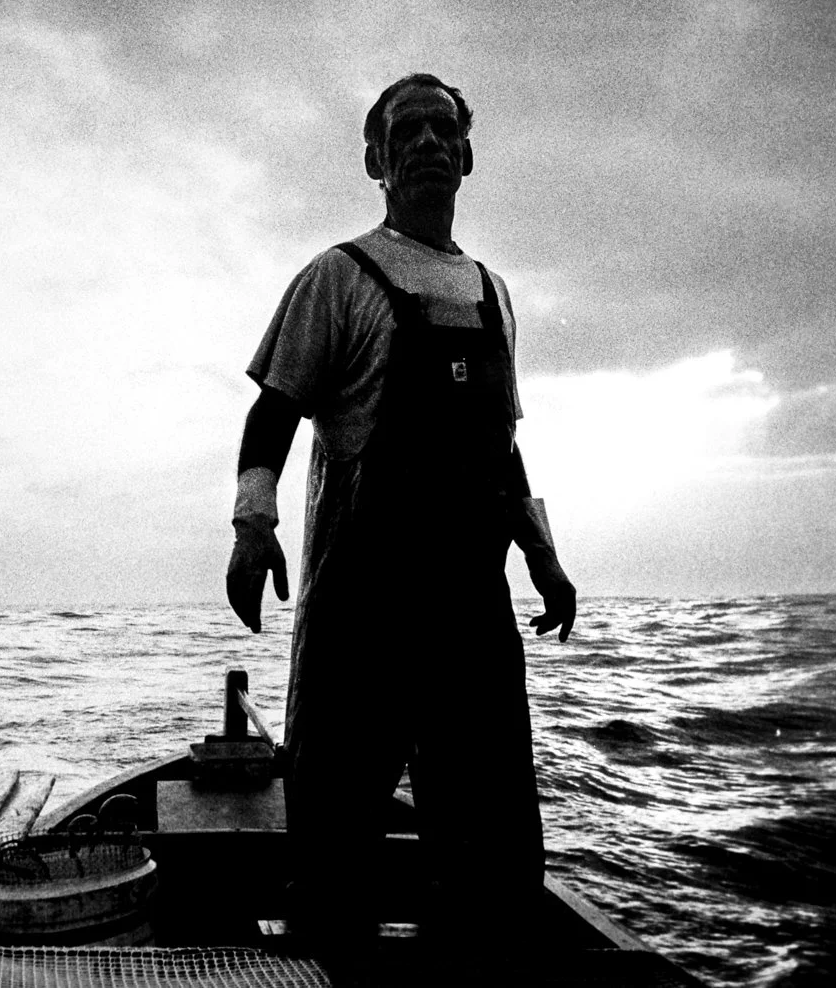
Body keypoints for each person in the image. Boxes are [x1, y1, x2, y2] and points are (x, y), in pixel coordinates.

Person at [225, 73, 577, 965]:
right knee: (334, 845)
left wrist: (542, 553)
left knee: (494, 854)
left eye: (441, 128)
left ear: (466, 155)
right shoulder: (337, 278)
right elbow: (273, 412)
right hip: (362, 617)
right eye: (404, 130)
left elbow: (502, 446)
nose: (425, 142)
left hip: (471, 616)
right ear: (376, 161)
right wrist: (252, 524)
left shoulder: (495, 294)